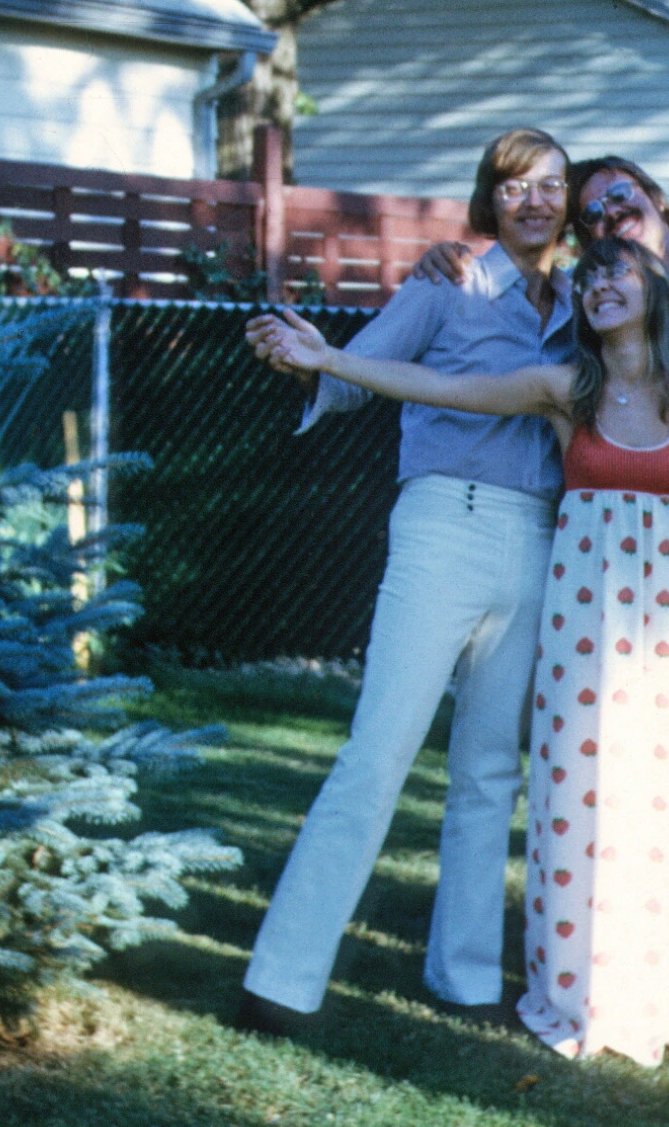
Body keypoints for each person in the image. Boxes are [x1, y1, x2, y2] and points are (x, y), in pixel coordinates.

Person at [252, 235, 669, 1067]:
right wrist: (334, 361)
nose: (601, 285)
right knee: (577, 796)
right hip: (580, 626)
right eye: (590, 276)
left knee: (658, 798)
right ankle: (576, 986)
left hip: (664, 635)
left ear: (651, 291)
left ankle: (655, 987)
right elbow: (440, 385)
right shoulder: (565, 389)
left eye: (618, 272)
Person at [235, 128, 576, 1035]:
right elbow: (354, 377)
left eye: (551, 185)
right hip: (443, 524)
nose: (534, 201)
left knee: (488, 770)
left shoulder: (586, 302)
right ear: (489, 199)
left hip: (539, 539)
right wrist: (308, 356)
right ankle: (282, 978)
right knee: (378, 748)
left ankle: (463, 979)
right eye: (515, 187)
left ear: (568, 200)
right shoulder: (444, 284)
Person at [414, 156, 669, 895]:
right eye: (588, 219)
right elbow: (494, 342)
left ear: (657, 199)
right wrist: (451, 252)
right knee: (633, 756)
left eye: (618, 200)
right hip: (624, 564)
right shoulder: (593, 297)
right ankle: (621, 918)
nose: (605, 221)